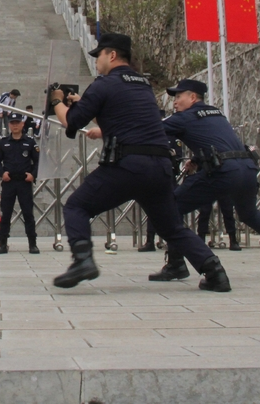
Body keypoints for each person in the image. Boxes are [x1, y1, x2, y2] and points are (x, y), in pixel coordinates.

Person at [49, 33, 230, 292]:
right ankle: (215, 272)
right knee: (171, 226)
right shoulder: (142, 85)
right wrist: (86, 105)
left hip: (127, 165)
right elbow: (120, 117)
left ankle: (82, 260)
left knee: (76, 206)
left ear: (111, 55)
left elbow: (72, 122)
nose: (97, 61)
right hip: (159, 167)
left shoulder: (103, 84)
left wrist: (56, 100)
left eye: (99, 55)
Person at [153, 79, 260, 281]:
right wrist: (197, 159)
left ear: (192, 97)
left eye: (178, 97)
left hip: (224, 172)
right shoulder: (216, 113)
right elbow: (218, 140)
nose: (174, 102)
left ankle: (176, 264)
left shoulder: (185, 117)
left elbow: (152, 129)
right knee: (249, 213)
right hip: (247, 168)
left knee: (171, 207)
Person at [0, 113, 39, 254]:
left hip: (24, 182)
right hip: (9, 182)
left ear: (22, 124)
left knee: (28, 214)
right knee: (6, 213)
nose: (15, 125)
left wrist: (33, 175)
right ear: (9, 125)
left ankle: (32, 244)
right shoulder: (3, 142)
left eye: (17, 122)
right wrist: (2, 173)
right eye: (12, 123)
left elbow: (38, 161)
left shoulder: (30, 142)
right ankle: (2, 244)